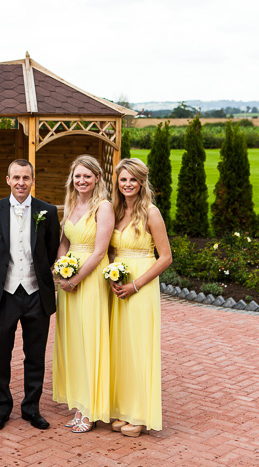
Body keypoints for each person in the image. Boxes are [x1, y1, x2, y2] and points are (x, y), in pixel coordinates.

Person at [0, 159, 60, 431]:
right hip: (5, 293)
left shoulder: (47, 212)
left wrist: (34, 275)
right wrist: (4, 276)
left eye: (26, 178)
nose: (21, 182)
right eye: (16, 177)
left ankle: (31, 408)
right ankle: (1, 408)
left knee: (35, 354)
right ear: (8, 179)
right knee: (1, 355)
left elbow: (50, 251)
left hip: (37, 293)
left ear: (32, 180)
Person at [108, 158, 172, 437]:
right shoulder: (115, 211)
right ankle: (124, 409)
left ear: (142, 181)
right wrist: (113, 275)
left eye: (132, 179)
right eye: (123, 180)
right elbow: (110, 250)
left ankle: (141, 414)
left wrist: (135, 285)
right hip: (118, 287)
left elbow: (166, 257)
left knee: (139, 349)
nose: (127, 184)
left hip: (141, 287)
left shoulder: (151, 213)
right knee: (120, 349)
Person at [52, 155, 114, 433]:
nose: (81, 181)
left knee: (91, 339)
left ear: (97, 178)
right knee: (73, 340)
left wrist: (76, 278)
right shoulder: (71, 204)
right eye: (77, 176)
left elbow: (101, 250)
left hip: (90, 279)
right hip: (69, 281)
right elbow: (64, 241)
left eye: (87, 176)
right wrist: (61, 270)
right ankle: (79, 404)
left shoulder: (104, 207)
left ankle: (91, 409)